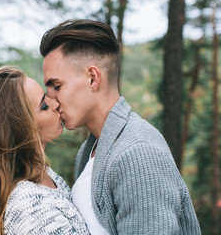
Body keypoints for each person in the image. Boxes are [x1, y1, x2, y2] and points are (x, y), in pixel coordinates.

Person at [39, 19, 201, 235]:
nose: (52, 100)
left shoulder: (138, 153)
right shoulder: (90, 151)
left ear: (92, 78)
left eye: (57, 86)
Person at [0, 66, 90, 235]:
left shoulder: (42, 173)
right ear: (19, 129)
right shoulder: (31, 209)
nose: (55, 103)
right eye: (43, 106)